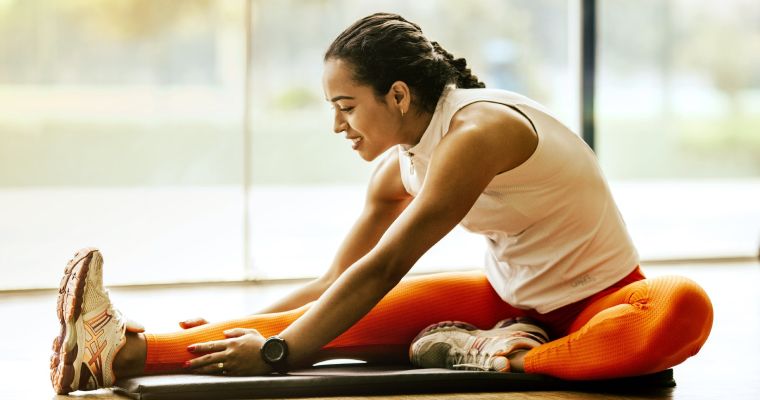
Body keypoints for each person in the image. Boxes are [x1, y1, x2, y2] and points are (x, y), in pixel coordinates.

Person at [50, 13, 713, 394]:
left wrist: (282, 353)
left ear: (397, 95)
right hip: (507, 302)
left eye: (346, 107)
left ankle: (502, 356)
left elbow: (389, 263)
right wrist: (237, 326)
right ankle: (110, 351)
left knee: (684, 307)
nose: (338, 126)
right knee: (320, 316)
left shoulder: (479, 133)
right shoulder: (399, 167)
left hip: (605, 302)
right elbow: (335, 285)